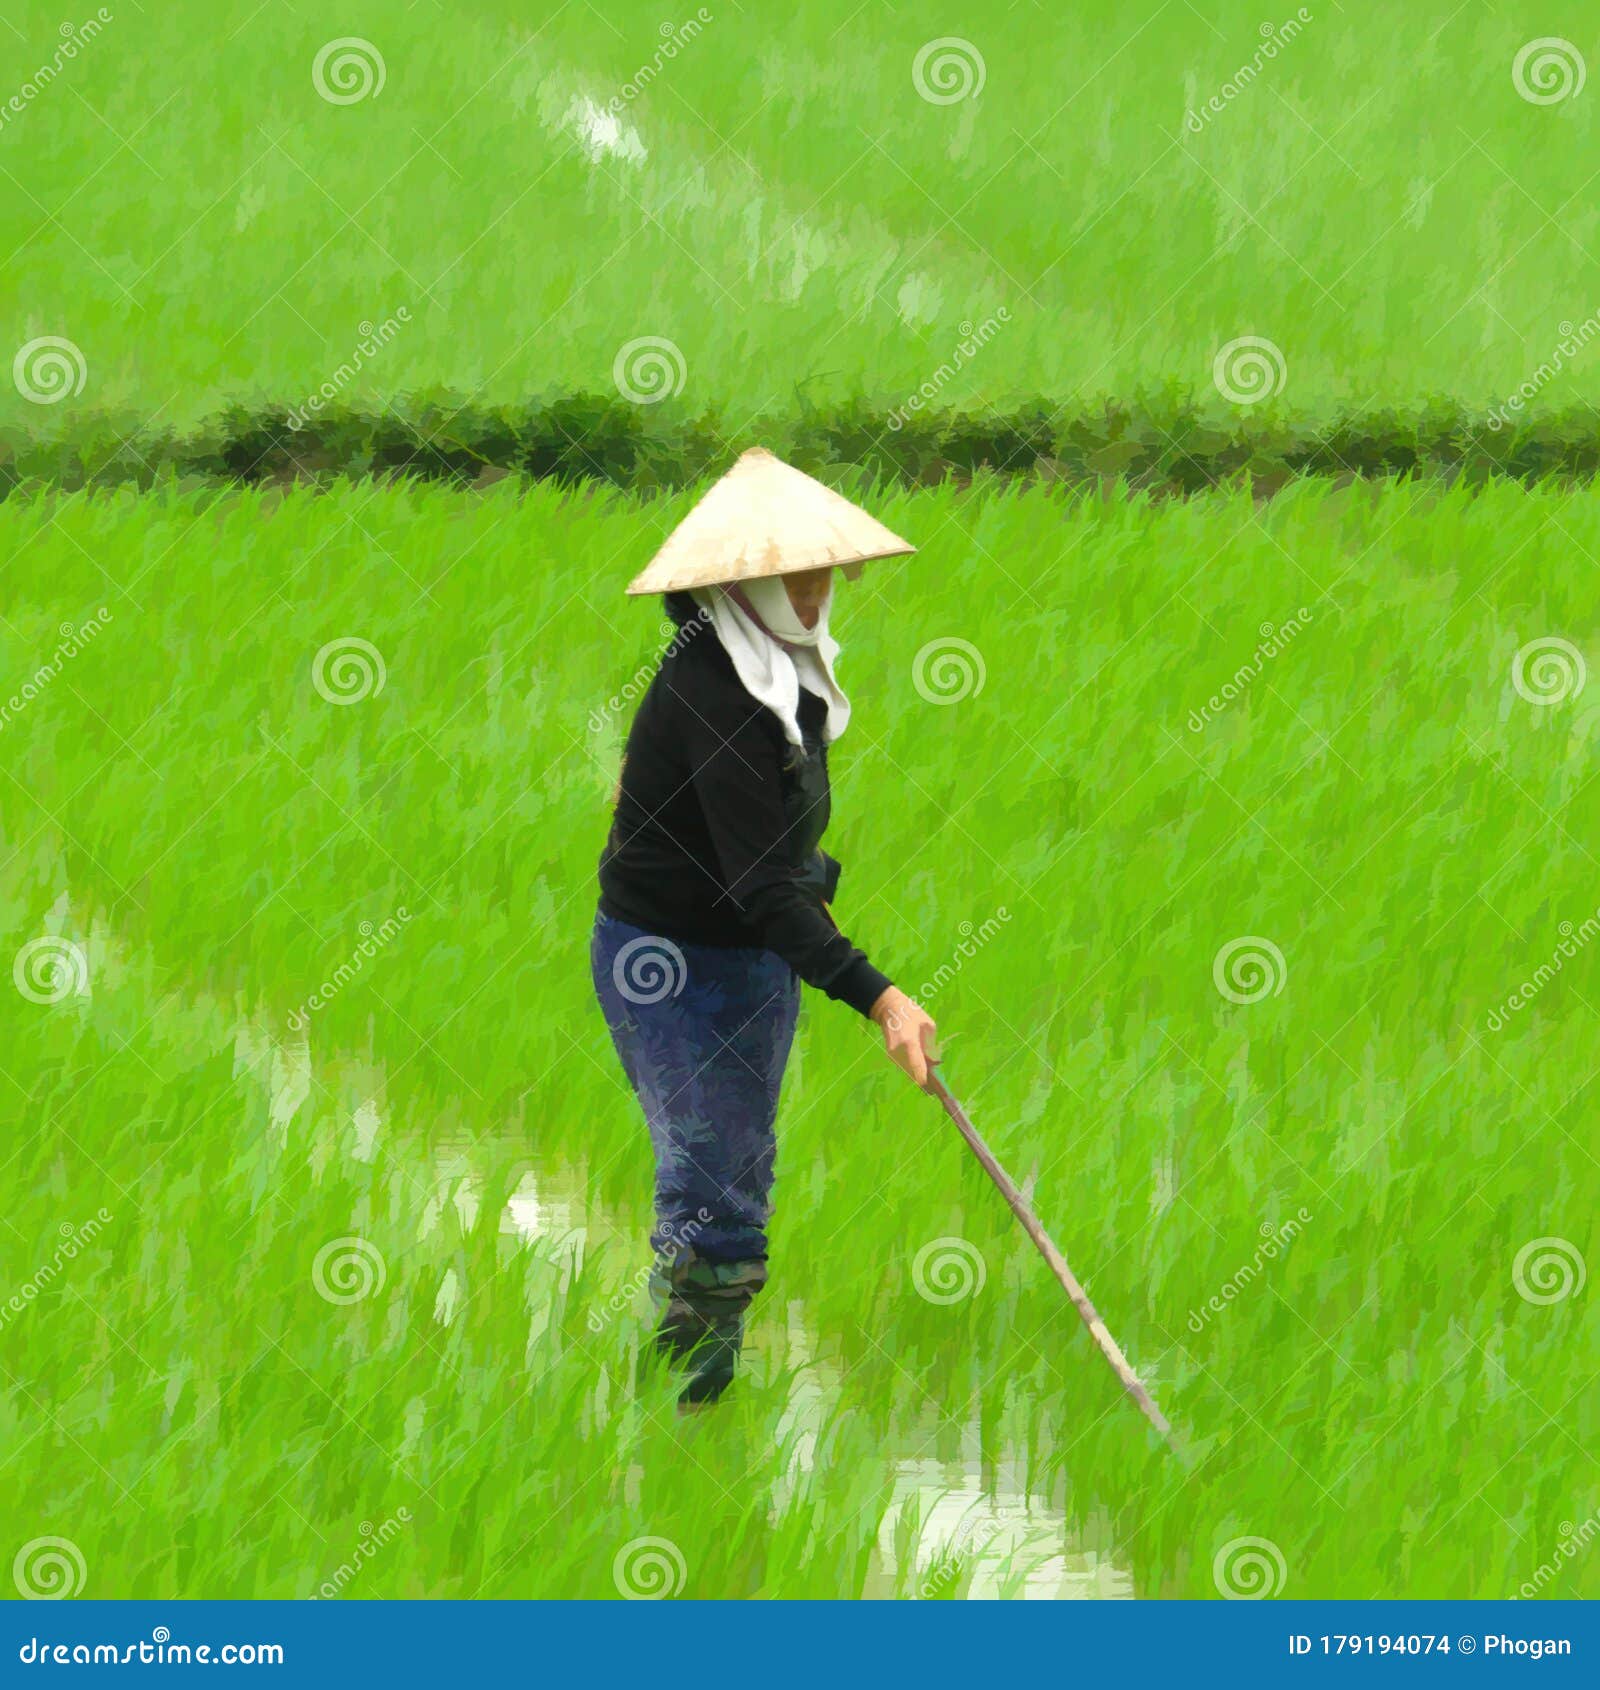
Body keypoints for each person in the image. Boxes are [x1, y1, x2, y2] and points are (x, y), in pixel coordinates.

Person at [591, 448, 939, 1409]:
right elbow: (757, 878)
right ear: (746, 583)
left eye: (825, 570)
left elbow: (775, 852)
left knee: (738, 1171)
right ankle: (684, 1400)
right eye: (799, 573)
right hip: (662, 957)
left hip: (751, 954)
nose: (821, 590)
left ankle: (692, 1393)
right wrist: (881, 996)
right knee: (707, 1173)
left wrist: (807, 887)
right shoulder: (714, 683)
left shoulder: (788, 674)